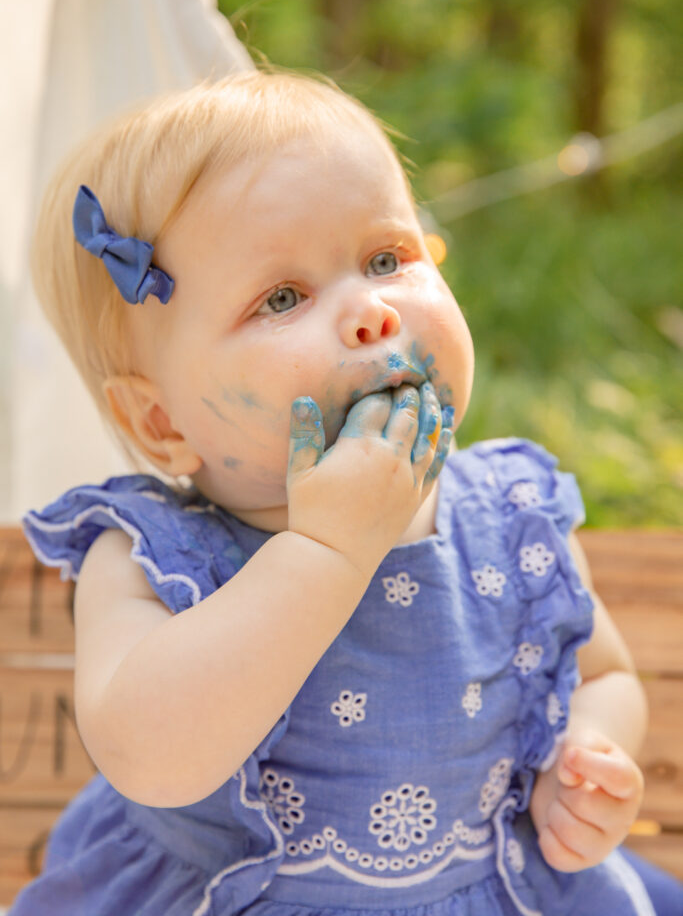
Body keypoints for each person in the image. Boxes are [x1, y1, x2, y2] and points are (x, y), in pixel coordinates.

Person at [10, 71, 682, 916]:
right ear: (159, 422)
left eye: (385, 258)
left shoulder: (511, 514)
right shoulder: (150, 556)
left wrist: (583, 758)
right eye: (282, 297)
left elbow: (600, 674)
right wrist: (324, 553)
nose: (370, 310)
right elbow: (151, 757)